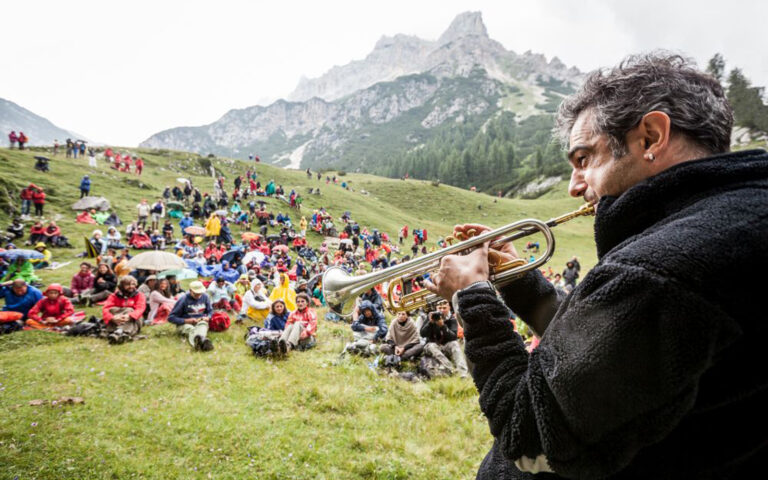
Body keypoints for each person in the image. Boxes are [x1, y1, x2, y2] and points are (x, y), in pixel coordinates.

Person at [424, 54, 767, 478]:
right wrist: (520, 283)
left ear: (651, 137)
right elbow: (603, 352)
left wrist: (472, 297)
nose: (574, 186)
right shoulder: (735, 220)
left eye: (584, 158)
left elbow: (527, 435)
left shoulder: (664, 269)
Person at [419, 300, 467, 378]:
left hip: (446, 345)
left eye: (444, 308)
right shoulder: (431, 316)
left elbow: (453, 337)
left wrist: (443, 326)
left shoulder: (452, 319)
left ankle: (463, 373)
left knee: (455, 344)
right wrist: (430, 323)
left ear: (449, 308)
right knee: (432, 346)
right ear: (436, 308)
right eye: (440, 308)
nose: (442, 310)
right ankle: (450, 368)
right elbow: (422, 334)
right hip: (432, 345)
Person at [168, 280, 214, 351]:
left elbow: (210, 311)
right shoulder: (183, 299)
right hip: (185, 324)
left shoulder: (205, 297)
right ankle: (199, 343)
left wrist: (208, 317)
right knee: (190, 329)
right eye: (195, 294)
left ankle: (200, 340)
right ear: (190, 291)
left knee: (203, 325)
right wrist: (186, 320)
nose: (198, 296)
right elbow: (171, 318)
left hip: (200, 321)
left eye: (200, 293)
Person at [102, 275, 146, 344]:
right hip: (117, 319)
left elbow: (140, 309)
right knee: (112, 309)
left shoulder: (139, 295)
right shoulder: (114, 296)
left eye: (133, 284)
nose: (131, 286)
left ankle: (119, 332)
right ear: (122, 285)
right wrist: (112, 318)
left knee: (129, 310)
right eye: (127, 284)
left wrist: (129, 316)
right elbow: (106, 309)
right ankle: (121, 334)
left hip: (134, 319)